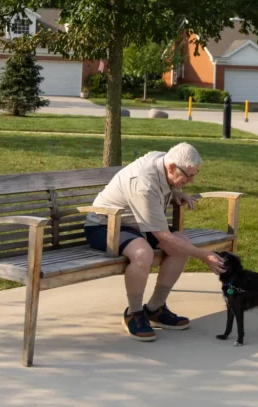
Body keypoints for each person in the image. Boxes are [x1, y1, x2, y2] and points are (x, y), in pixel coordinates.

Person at [84, 142, 226, 341]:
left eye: (195, 174)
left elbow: (163, 182)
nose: (192, 181)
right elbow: (162, 237)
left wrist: (175, 189)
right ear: (171, 167)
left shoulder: (165, 159)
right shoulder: (144, 183)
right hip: (105, 224)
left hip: (136, 221)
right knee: (143, 253)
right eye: (188, 175)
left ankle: (155, 309)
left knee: (181, 244)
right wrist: (204, 256)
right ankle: (133, 313)